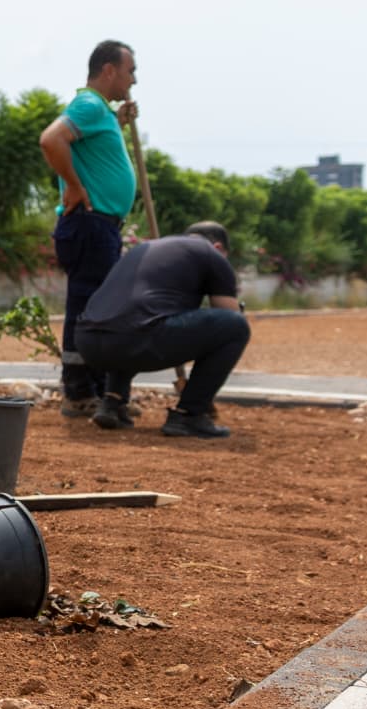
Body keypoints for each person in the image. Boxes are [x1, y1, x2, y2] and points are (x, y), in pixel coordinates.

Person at [74, 222, 251, 438]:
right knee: (236, 326)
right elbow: (228, 313)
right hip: (137, 339)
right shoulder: (210, 254)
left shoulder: (145, 249)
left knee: (133, 319)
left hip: (88, 343)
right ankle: (189, 415)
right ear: (218, 247)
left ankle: (112, 402)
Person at [38, 40, 139, 419]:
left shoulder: (100, 112)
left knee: (96, 309)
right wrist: (76, 187)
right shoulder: (89, 105)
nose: (134, 79)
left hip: (100, 226)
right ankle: (79, 392)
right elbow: (51, 139)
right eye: (130, 71)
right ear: (110, 70)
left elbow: (91, 147)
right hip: (89, 225)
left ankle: (93, 389)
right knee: (86, 310)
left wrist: (119, 122)